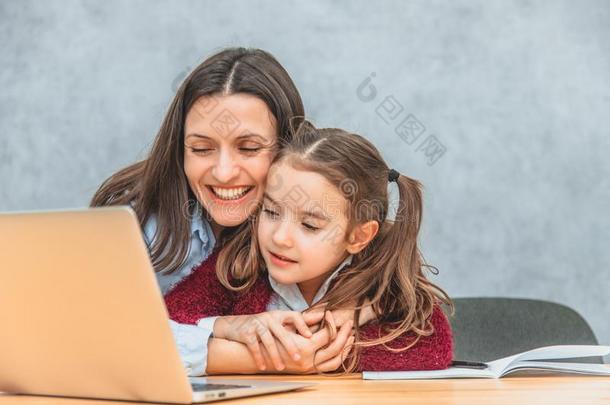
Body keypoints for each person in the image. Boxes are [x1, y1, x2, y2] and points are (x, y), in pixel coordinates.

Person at [90, 47, 359, 376]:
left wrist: (360, 308)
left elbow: (412, 297)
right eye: (201, 149)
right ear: (181, 150)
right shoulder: (135, 226)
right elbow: (93, 335)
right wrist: (242, 348)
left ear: (289, 147)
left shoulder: (310, 221)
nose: (224, 172)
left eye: (249, 148)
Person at [165, 122, 454, 374]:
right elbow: (158, 325)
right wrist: (228, 327)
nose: (280, 237)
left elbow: (436, 347)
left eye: (310, 226)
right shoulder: (238, 264)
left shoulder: (378, 286)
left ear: (358, 237)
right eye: (271, 212)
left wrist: (339, 340)